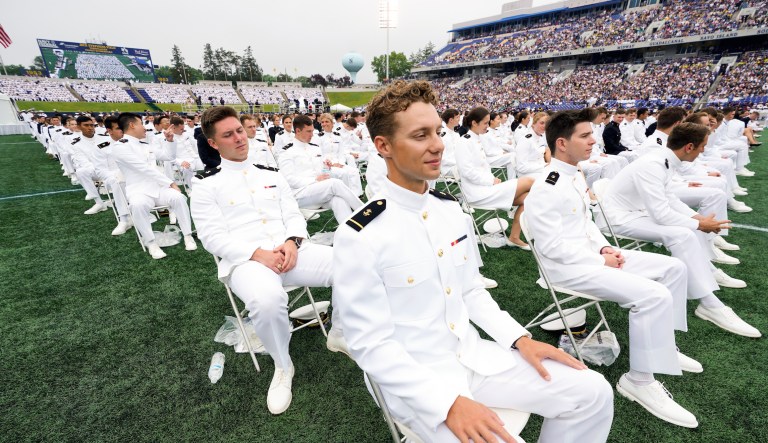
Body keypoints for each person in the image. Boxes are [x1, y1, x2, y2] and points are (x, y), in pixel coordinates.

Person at [334, 80, 613, 443]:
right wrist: (447, 403)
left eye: (437, 131)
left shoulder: (450, 212)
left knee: (593, 392)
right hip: (419, 385)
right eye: (420, 135)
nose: (437, 144)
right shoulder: (360, 234)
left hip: (474, 358)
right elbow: (370, 345)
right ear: (383, 146)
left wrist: (519, 339)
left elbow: (470, 292)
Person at [526, 109, 702, 428]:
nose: (594, 139)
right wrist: (599, 259)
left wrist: (604, 246)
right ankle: (639, 381)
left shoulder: (573, 174)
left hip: (591, 255)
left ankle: (664, 345)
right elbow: (551, 248)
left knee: (674, 269)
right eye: (585, 135)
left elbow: (586, 223)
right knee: (652, 295)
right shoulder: (546, 185)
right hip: (567, 269)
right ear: (562, 144)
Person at [190, 106, 346, 415]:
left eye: (239, 130)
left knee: (351, 264)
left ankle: (340, 330)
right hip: (246, 262)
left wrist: (292, 241)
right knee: (267, 301)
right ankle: (283, 365)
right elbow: (212, 237)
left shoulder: (271, 174)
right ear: (213, 143)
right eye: (228, 135)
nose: (239, 138)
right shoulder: (205, 185)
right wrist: (258, 254)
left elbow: (293, 215)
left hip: (290, 251)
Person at [599, 123, 761, 338]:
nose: (703, 150)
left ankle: (709, 274)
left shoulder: (664, 160)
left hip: (634, 212)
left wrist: (696, 217)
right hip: (617, 218)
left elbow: (670, 198)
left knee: (687, 230)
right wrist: (700, 224)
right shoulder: (654, 164)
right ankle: (710, 304)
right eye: (702, 146)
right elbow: (661, 214)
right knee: (682, 233)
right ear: (689, 146)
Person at [112, 113, 197, 259]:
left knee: (179, 197)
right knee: (137, 205)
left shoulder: (144, 145)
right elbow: (143, 168)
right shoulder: (120, 147)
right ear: (132, 125)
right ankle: (151, 243)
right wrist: (170, 182)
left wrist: (170, 141)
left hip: (158, 189)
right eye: (141, 124)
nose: (144, 128)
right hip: (139, 191)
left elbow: (168, 157)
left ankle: (188, 235)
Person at [455, 106, 534, 249]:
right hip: (477, 192)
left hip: (486, 188)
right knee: (529, 181)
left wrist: (491, 180)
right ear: (474, 123)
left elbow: (482, 168)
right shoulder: (464, 141)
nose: (487, 126)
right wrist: (491, 180)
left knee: (528, 198)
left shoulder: (476, 138)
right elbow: (467, 172)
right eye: (485, 123)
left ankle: (514, 238)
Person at [277, 115, 364, 223]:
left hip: (319, 192)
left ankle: (351, 232)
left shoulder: (314, 148)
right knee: (334, 183)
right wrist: (315, 180)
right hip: (300, 194)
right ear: (298, 131)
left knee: (339, 200)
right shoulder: (286, 152)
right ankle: (365, 211)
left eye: (312, 131)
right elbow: (288, 179)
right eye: (308, 131)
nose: (312, 134)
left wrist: (326, 168)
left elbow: (322, 174)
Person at [69, 115, 131, 235]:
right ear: (79, 127)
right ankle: (100, 203)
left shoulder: (103, 138)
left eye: (92, 125)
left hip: (114, 169)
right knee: (81, 172)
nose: (90, 128)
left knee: (118, 178)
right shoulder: (76, 143)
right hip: (98, 169)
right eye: (86, 125)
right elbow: (83, 162)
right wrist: (100, 169)